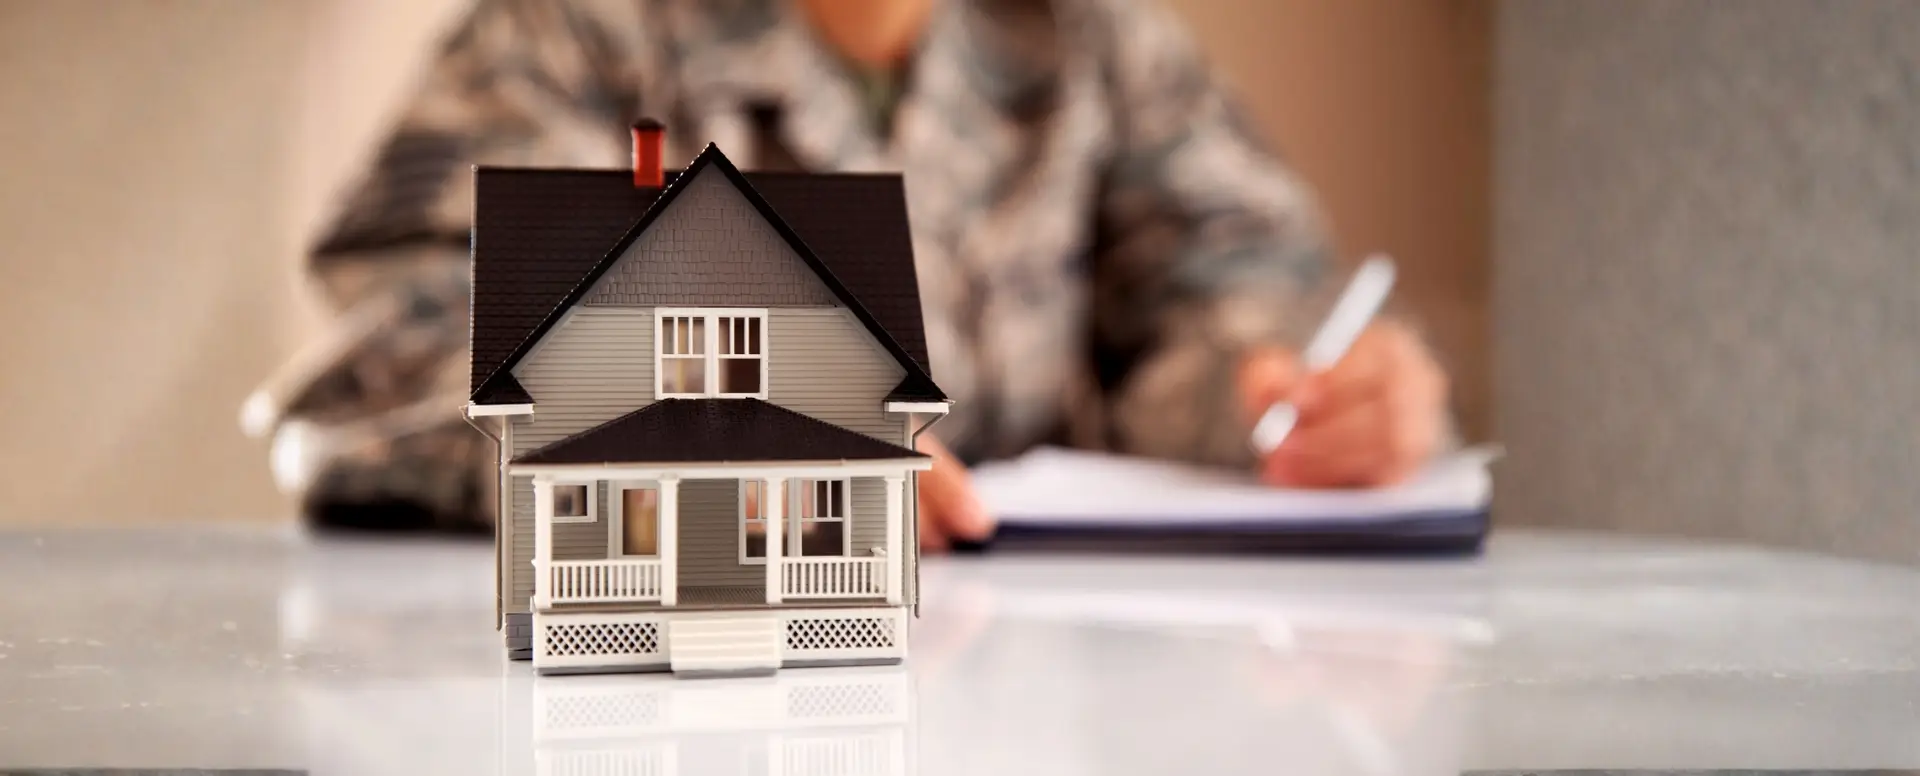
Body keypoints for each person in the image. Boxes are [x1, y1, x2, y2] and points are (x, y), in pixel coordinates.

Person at [245, 0, 1452, 550]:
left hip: (1037, 686)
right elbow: (390, 356)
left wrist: (1313, 401)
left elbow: (1236, 310)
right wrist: (705, 441)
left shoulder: (1091, 41)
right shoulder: (580, 32)